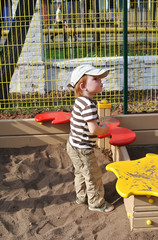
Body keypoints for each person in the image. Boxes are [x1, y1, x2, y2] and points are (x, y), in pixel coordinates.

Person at [67, 64, 114, 213]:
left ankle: (81, 197)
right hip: (83, 149)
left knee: (81, 172)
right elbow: (94, 130)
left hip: (73, 145)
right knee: (93, 175)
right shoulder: (89, 105)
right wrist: (105, 128)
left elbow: (85, 122)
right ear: (83, 86)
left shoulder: (81, 101)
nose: (100, 82)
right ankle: (96, 203)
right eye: (95, 79)